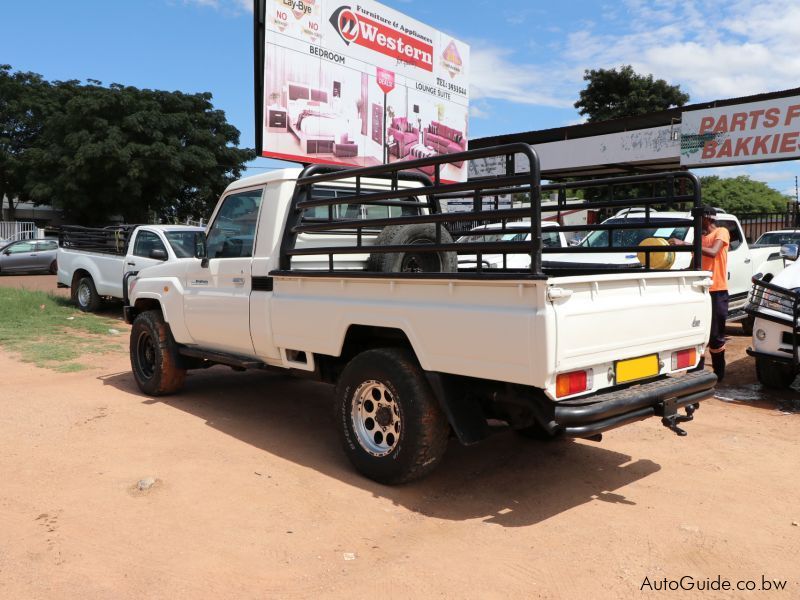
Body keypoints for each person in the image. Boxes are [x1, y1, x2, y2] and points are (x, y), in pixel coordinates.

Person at [670, 206, 729, 381]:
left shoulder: (721, 231)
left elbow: (712, 253)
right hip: (699, 291)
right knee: (698, 332)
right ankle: (695, 376)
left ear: (707, 218)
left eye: (699, 219)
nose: (697, 222)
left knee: (716, 335)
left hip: (716, 290)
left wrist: (686, 244)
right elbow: (694, 264)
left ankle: (719, 375)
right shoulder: (699, 239)